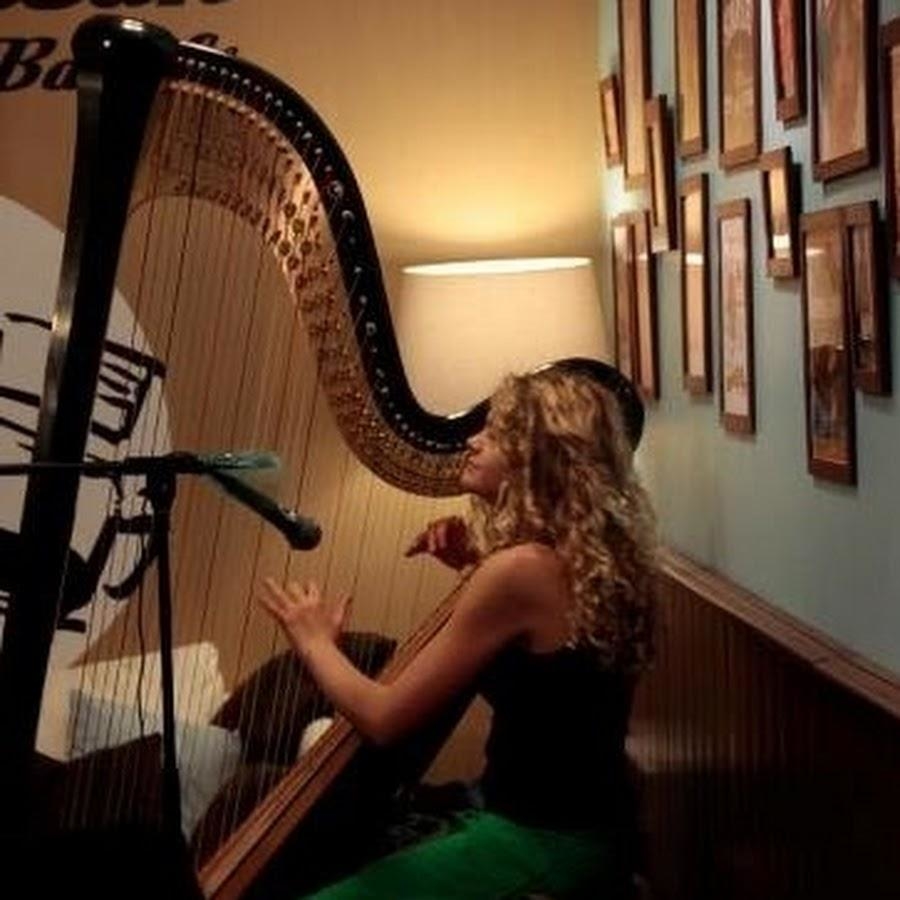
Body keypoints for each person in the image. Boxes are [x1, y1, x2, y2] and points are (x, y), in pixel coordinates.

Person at [259, 363, 657, 899]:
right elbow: (549, 679)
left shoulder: (517, 573)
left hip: (540, 841)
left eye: (495, 433)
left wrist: (313, 642)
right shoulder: (590, 559)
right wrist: (475, 563)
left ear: (537, 457)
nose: (472, 441)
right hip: (591, 828)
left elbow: (384, 719)